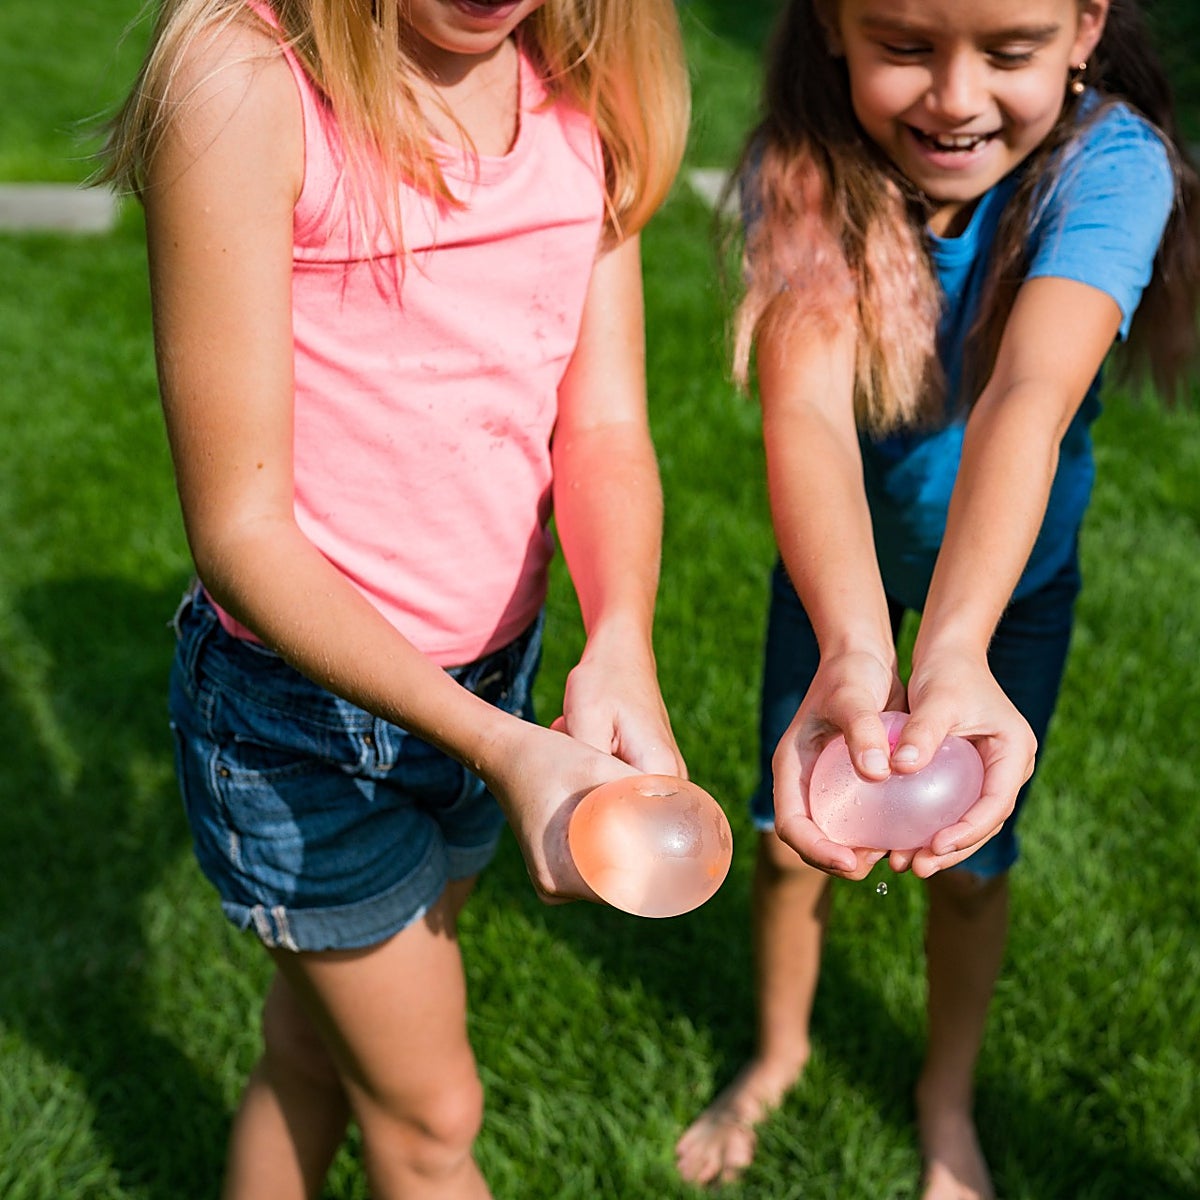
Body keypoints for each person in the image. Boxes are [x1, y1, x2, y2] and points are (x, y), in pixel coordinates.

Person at [100, 0, 689, 1195]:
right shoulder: (247, 79)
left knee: (317, 1053)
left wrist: (621, 639)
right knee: (430, 1122)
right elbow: (241, 535)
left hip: (493, 687)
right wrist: (502, 749)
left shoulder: (583, 82)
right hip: (300, 725)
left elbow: (604, 426)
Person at [675, 1, 1199, 1197]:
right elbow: (807, 410)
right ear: (833, 27)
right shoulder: (806, 160)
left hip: (1011, 598)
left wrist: (955, 648)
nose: (956, 98)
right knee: (790, 839)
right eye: (907, 47)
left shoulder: (1114, 167)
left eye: (1008, 52)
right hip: (837, 583)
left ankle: (944, 1096)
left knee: (969, 866)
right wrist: (857, 645)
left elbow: (1028, 394)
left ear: (1084, 28)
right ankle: (778, 1052)